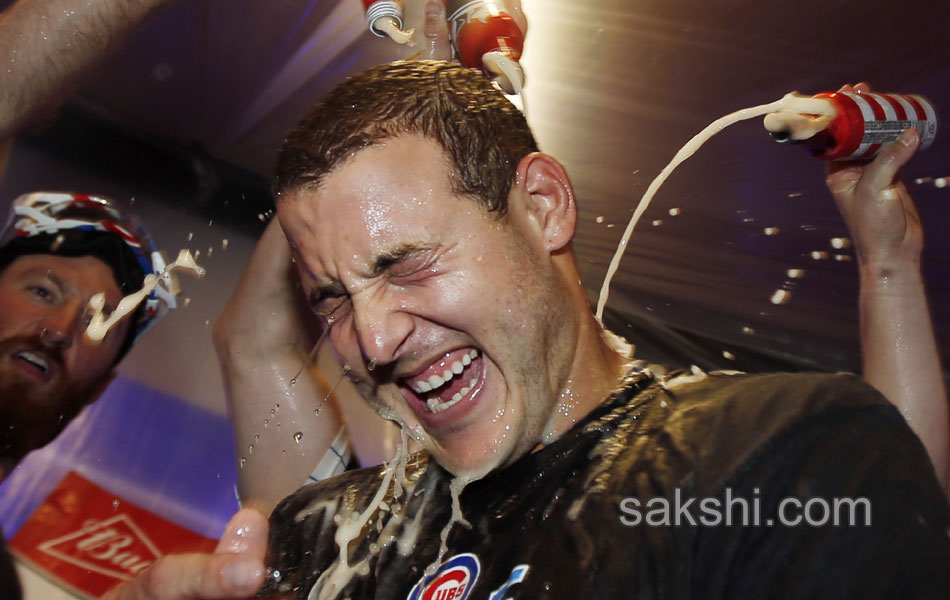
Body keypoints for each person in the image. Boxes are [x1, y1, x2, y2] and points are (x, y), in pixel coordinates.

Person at [240, 60, 950, 599]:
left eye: (406, 264)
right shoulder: (329, 540)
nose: (372, 341)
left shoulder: (761, 460)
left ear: (544, 206)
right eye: (331, 298)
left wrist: (888, 267)